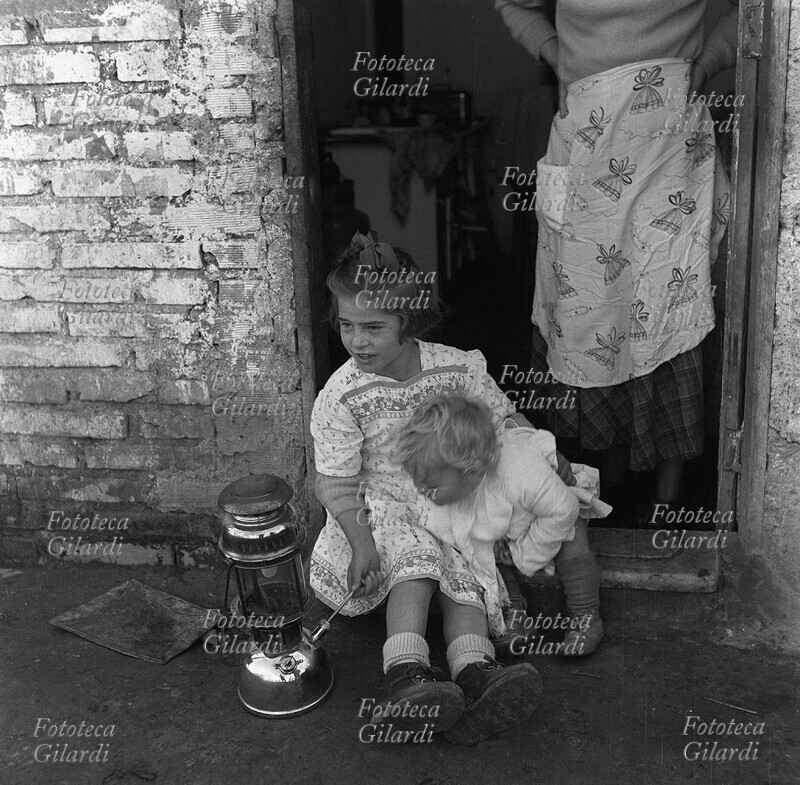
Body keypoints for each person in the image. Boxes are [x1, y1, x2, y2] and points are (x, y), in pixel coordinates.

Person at [494, 0, 738, 523]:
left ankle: (670, 501)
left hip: (667, 136)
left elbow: (759, 9)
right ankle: (614, 480)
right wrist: (555, 53)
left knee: (669, 299)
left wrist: (709, 61)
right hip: (588, 134)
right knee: (595, 307)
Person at [310, 231, 545, 744]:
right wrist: (360, 541)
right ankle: (408, 672)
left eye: (373, 327)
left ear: (407, 321)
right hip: (384, 505)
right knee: (413, 565)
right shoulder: (343, 394)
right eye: (347, 325)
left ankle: (475, 672)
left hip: (449, 498)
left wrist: (545, 455)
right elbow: (336, 480)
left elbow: (503, 419)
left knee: (464, 572)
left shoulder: (456, 369)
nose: (357, 341)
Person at [395, 393, 610, 664]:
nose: (422, 489)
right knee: (482, 549)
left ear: (471, 471)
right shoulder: (445, 479)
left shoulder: (521, 470)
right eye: (418, 480)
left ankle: (585, 615)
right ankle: (511, 608)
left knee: (573, 543)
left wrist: (528, 553)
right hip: (504, 520)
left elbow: (564, 509)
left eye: (431, 485)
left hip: (550, 511)